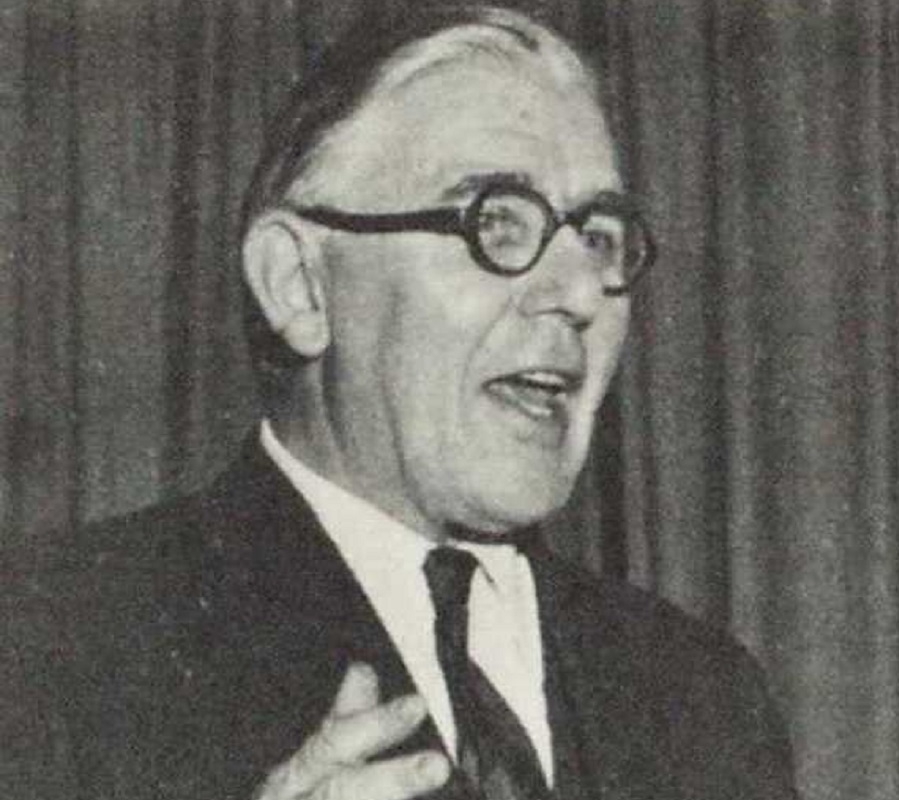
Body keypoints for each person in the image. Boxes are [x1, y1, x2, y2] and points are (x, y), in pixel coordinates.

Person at [0, 5, 796, 800]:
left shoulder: (704, 699)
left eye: (598, 236)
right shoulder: (47, 643)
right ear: (299, 285)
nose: (582, 292)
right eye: (496, 222)